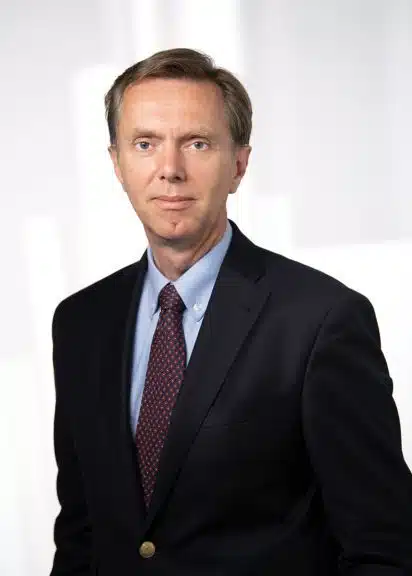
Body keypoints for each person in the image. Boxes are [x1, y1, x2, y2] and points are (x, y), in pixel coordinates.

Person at [50, 47, 412, 575]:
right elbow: (81, 534)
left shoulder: (320, 321)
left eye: (197, 143)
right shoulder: (80, 322)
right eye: (145, 144)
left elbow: (385, 548)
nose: (170, 170)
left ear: (239, 165)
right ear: (117, 164)